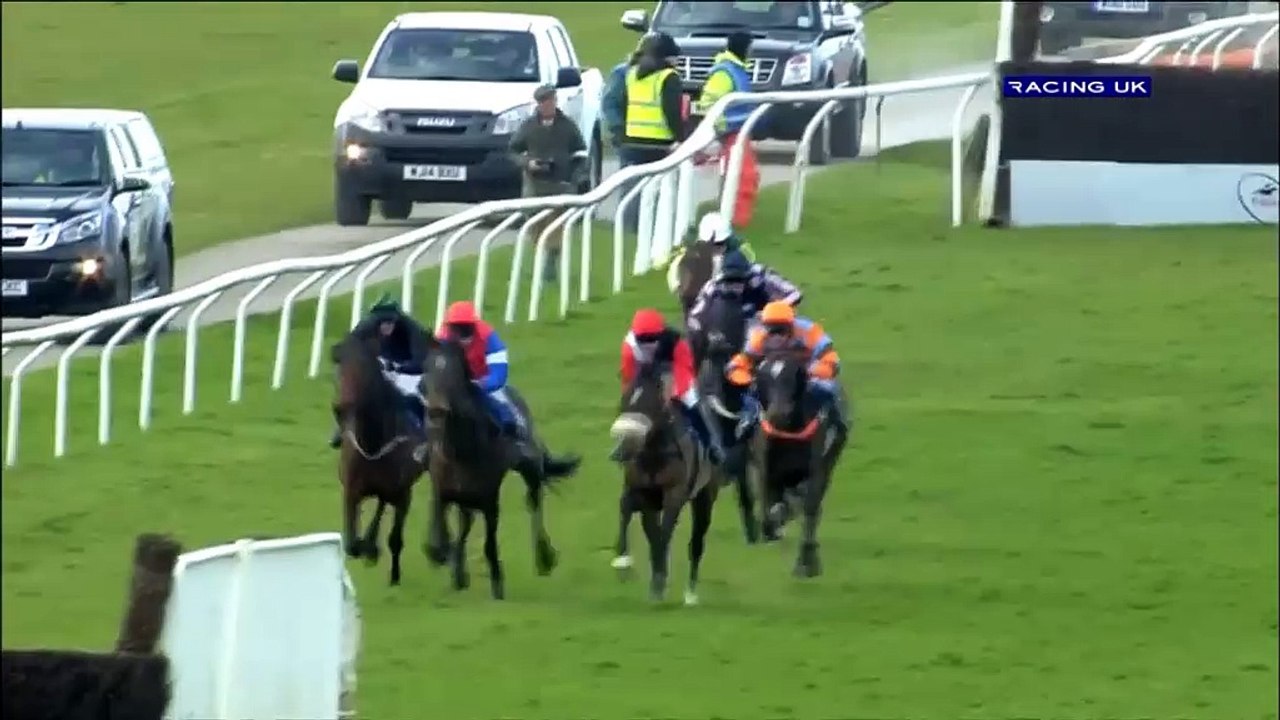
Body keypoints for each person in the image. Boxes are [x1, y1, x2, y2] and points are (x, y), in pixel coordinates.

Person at [612, 308, 725, 464]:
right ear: (635, 335)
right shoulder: (629, 346)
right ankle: (624, 444)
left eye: (652, 339)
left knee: (693, 403)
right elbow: (629, 376)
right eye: (642, 339)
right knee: (629, 404)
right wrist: (629, 396)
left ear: (661, 334)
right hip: (644, 372)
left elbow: (684, 371)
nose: (648, 344)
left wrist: (672, 394)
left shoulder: (675, 342)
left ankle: (711, 444)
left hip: (674, 370)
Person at [435, 300, 539, 464]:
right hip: (455, 384)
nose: (462, 335)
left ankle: (518, 437)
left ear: (473, 325)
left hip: (485, 380)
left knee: (502, 404)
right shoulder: (442, 339)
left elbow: (499, 375)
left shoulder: (489, 338)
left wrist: (482, 384)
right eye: (458, 329)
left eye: (466, 329)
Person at [725, 300, 848, 435]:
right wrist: (740, 373)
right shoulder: (758, 335)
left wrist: (816, 370)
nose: (777, 333)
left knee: (828, 390)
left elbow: (829, 357)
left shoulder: (808, 330)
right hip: (772, 374)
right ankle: (748, 417)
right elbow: (745, 360)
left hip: (805, 371)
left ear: (791, 324)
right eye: (772, 328)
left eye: (781, 328)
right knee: (749, 394)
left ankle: (836, 424)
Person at [329, 294, 432, 449]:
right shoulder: (366, 326)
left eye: (390, 322)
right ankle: (343, 427)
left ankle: (426, 437)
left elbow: (421, 361)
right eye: (382, 322)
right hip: (381, 364)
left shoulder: (412, 329)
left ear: (397, 319)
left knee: (415, 394)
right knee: (352, 390)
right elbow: (345, 347)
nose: (386, 326)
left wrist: (399, 368)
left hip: (409, 369)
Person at [509, 84, 587, 284]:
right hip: (534, 187)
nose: (549, 104)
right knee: (536, 227)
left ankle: (550, 265)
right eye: (545, 101)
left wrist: (576, 177)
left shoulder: (567, 125)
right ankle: (541, 262)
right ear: (539, 103)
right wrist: (528, 163)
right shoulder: (528, 126)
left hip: (560, 185)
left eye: (552, 100)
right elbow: (513, 151)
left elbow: (580, 153)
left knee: (556, 227)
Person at [617, 31, 686, 232]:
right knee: (659, 192)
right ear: (667, 56)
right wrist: (680, 138)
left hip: (632, 141)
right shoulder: (668, 77)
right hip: (659, 143)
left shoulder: (631, 74)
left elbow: (623, 105)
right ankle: (656, 229)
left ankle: (629, 229)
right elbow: (671, 111)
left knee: (632, 191)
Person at [694, 31, 761, 229]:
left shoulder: (735, 69)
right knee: (742, 176)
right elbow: (708, 102)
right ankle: (734, 219)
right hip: (731, 132)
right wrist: (720, 126)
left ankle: (734, 217)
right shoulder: (725, 72)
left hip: (738, 132)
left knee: (743, 175)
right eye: (750, 48)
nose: (752, 52)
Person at [686, 249, 802, 334]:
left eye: (739, 279)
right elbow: (696, 313)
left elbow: (795, 293)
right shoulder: (715, 284)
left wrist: (772, 311)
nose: (735, 286)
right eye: (730, 280)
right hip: (727, 326)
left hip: (763, 325)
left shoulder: (761, 275)